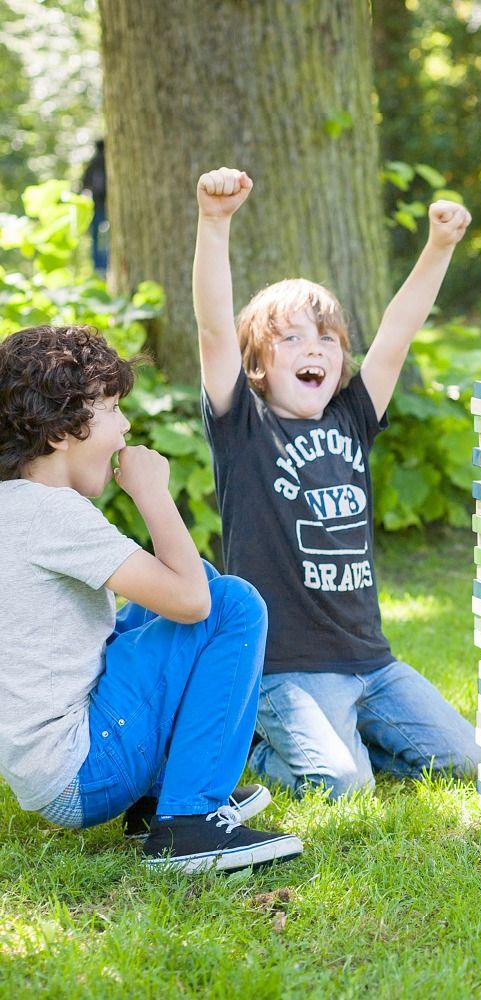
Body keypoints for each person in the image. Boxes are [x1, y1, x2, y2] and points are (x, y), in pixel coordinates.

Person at [193, 167, 481, 800]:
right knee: (342, 785)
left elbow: (396, 336)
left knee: (467, 762)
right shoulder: (244, 426)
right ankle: (259, 743)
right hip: (289, 670)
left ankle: (350, 736)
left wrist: (439, 248)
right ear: (258, 367)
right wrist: (214, 225)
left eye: (326, 337)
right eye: (291, 338)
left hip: (373, 663)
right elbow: (215, 330)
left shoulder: (353, 417)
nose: (314, 348)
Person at [0, 325, 303, 873]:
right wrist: (152, 493)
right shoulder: (52, 513)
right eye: (112, 408)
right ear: (61, 431)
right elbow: (192, 604)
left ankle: (163, 800)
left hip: (56, 765)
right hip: (85, 770)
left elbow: (179, 587)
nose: (126, 426)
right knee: (230, 603)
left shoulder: (16, 505)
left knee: (198, 580)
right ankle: (188, 823)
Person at [81, 140, 108, 274]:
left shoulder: (92, 164)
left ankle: (99, 269)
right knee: (104, 239)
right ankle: (104, 268)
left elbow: (85, 186)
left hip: (95, 208)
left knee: (97, 239)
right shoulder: (104, 163)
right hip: (104, 207)